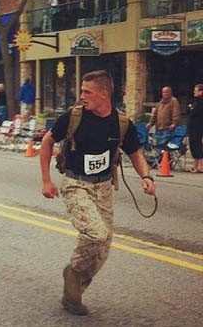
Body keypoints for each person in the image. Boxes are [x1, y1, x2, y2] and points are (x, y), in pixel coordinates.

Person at [39, 70, 156, 316]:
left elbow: (135, 153)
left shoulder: (122, 123)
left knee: (104, 248)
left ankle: (74, 287)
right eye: (82, 91)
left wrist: (146, 177)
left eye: (87, 92)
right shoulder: (74, 116)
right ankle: (73, 273)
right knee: (96, 233)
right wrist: (47, 180)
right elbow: (47, 142)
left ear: (104, 94)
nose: (82, 96)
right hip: (76, 183)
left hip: (103, 187)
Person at [187, 84, 203, 172]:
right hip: (192, 126)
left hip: (198, 127)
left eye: (196, 90)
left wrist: (191, 108)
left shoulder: (201, 102)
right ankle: (195, 165)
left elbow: (194, 111)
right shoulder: (194, 101)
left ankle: (201, 165)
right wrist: (190, 108)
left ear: (201, 91)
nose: (194, 92)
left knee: (198, 145)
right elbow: (189, 110)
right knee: (192, 145)